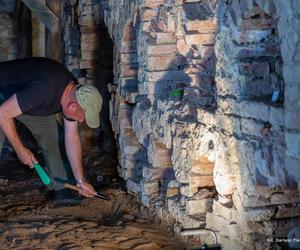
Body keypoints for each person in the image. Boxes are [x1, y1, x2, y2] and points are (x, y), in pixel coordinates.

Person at [0, 57, 103, 205]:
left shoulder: (74, 92)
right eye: (82, 117)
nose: (81, 121)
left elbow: (71, 137)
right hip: (4, 93)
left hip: (23, 98)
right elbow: (3, 113)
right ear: (73, 107)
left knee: (54, 135)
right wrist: (20, 150)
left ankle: (61, 188)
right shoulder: (44, 88)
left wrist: (81, 180)